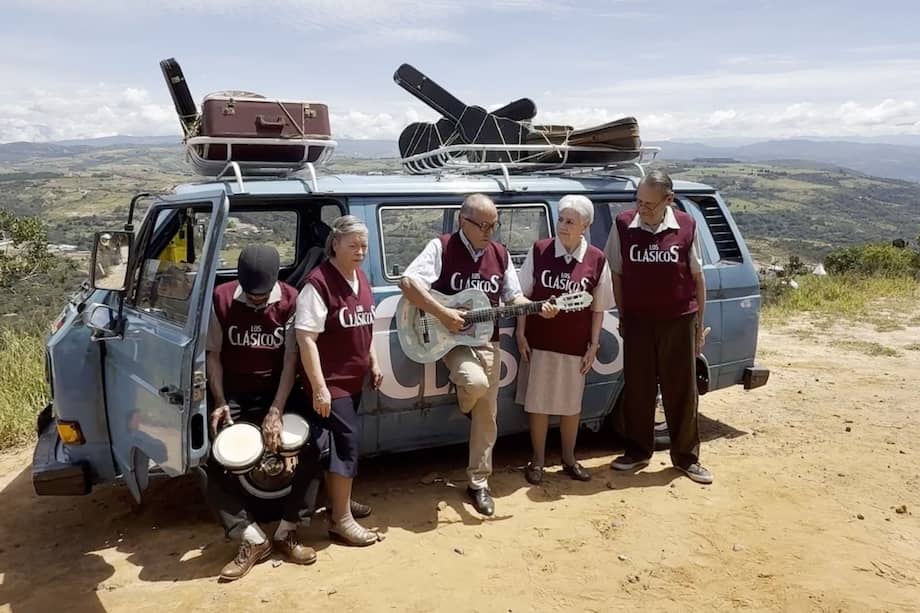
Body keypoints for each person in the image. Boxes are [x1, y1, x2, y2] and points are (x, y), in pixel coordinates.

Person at [399, 194, 557, 516]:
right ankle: (467, 396)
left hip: (488, 340)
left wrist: (539, 308)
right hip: (450, 341)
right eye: (482, 225)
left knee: (487, 416)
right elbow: (408, 283)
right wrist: (442, 313)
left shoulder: (499, 254)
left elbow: (513, 297)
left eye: (493, 225)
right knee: (476, 383)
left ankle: (479, 483)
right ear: (463, 221)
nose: (489, 231)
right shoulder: (441, 247)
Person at [204, 245, 320, 582]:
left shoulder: (291, 299)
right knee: (210, 459)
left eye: (263, 296)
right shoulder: (221, 298)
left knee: (313, 449)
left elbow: (290, 360)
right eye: (251, 297)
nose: (257, 302)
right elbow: (213, 354)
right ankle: (251, 537)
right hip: (236, 389)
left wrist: (276, 410)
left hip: (278, 388)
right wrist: (221, 399)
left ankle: (288, 530)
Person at [603, 170, 713, 484]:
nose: (642, 209)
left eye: (650, 205)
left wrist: (698, 326)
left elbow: (697, 278)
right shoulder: (623, 225)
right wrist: (623, 314)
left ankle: (686, 458)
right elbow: (618, 273)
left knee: (681, 390)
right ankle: (637, 452)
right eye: (638, 202)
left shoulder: (686, 226)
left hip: (679, 319)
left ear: (669, 200)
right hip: (638, 320)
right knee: (638, 389)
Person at [295, 215, 384, 546]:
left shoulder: (361, 279)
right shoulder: (317, 285)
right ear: (335, 245)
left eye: (364, 245)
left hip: (352, 379)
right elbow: (306, 339)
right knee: (347, 444)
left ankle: (339, 503)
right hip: (330, 382)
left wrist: (372, 361)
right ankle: (340, 520)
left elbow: (366, 326)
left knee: (341, 445)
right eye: (353, 245)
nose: (360, 251)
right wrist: (319, 387)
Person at [515, 194, 614, 484]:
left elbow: (598, 307)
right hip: (540, 341)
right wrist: (521, 332)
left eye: (570, 221)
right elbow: (523, 294)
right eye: (561, 219)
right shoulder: (540, 250)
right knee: (539, 404)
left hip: (574, 344)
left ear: (585, 225)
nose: (563, 225)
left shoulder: (596, 259)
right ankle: (538, 461)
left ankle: (570, 459)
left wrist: (593, 345)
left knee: (571, 406)